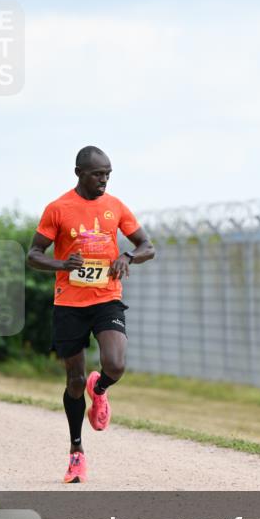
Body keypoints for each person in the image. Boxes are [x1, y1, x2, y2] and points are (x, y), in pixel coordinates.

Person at [27, 146, 154, 483]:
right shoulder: (58, 209)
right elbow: (33, 255)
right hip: (69, 303)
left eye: (108, 174)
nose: (104, 180)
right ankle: (76, 452)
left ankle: (100, 388)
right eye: (98, 174)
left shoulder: (115, 206)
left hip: (106, 298)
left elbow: (147, 246)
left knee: (116, 364)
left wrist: (127, 256)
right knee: (74, 381)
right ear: (79, 173)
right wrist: (61, 264)